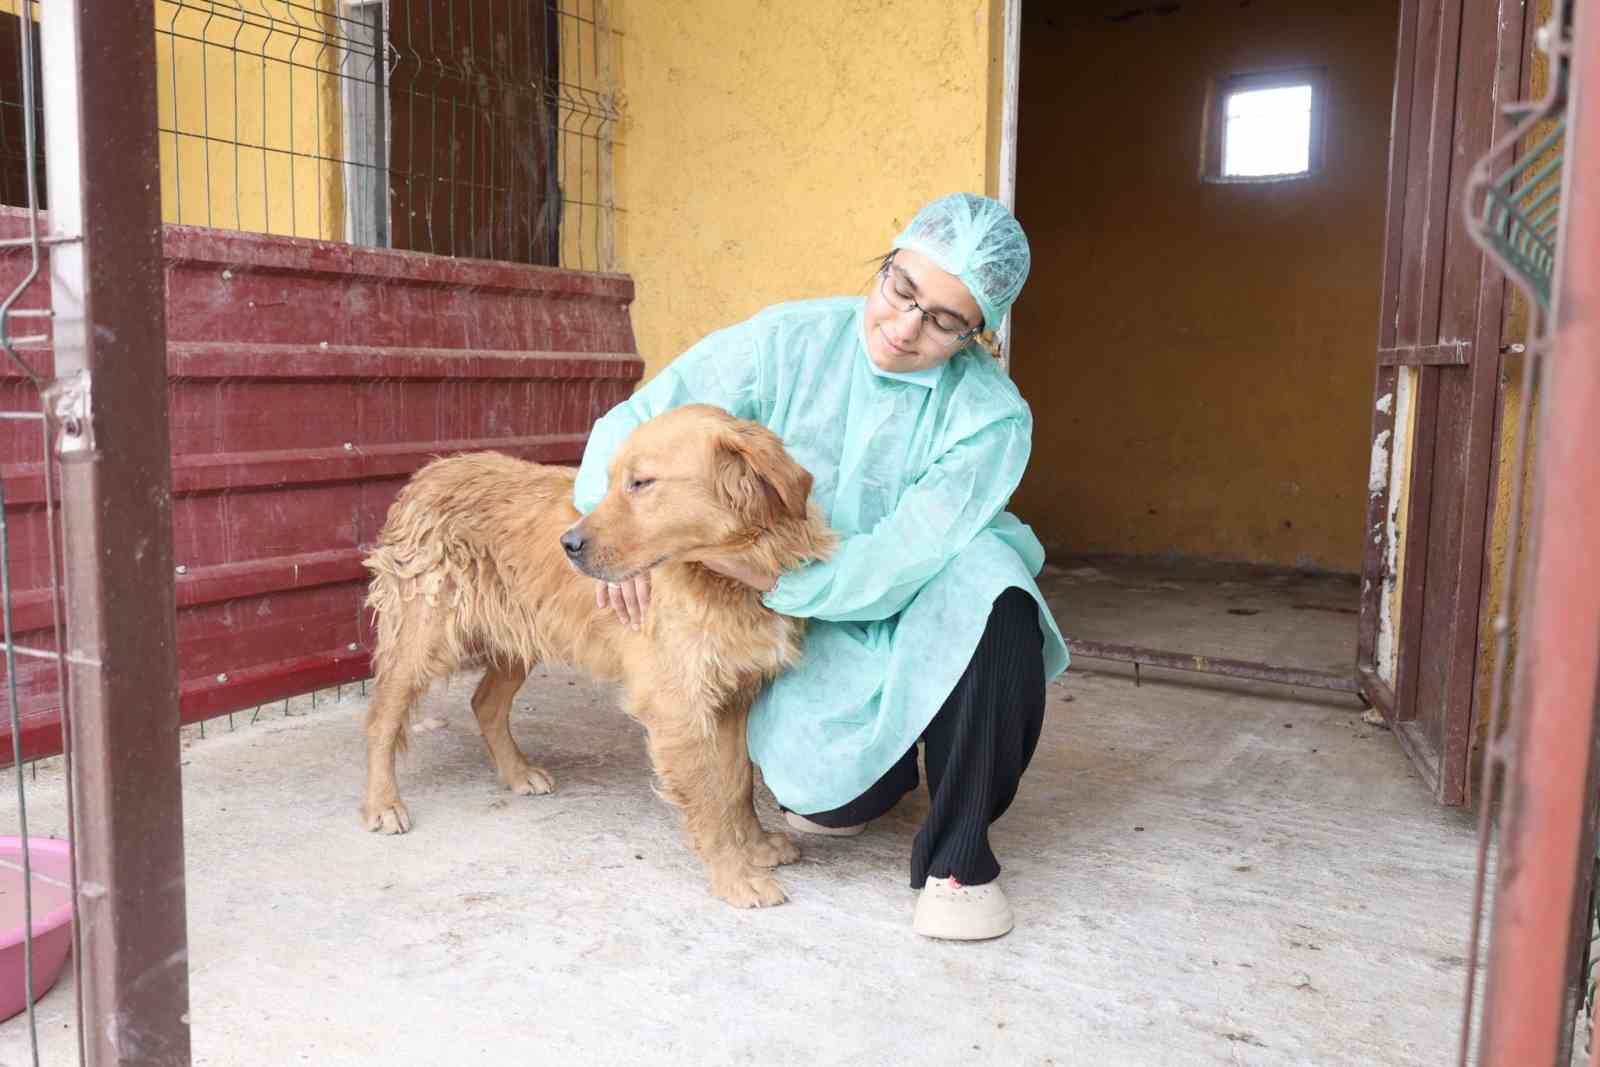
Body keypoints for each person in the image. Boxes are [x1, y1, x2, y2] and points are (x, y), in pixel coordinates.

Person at [573, 193, 1070, 940]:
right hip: (816, 620)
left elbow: (907, 555)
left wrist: (772, 578)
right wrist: (615, 527)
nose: (904, 327)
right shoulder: (788, 340)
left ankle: (961, 858)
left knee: (993, 582)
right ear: (886, 262)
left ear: (980, 334)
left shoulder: (990, 416)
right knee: (829, 802)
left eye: (944, 321)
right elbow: (635, 422)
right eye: (901, 290)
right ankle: (894, 768)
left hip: (919, 597)